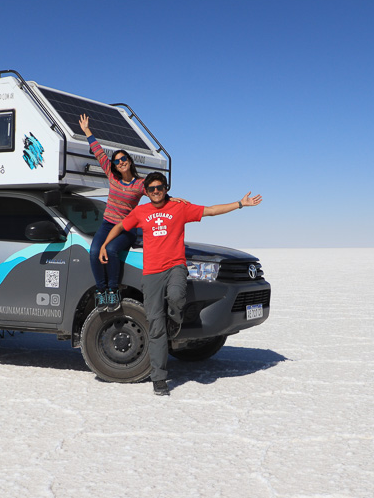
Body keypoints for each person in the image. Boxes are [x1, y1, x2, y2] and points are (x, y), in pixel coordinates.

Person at [99, 172, 262, 396]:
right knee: (155, 328)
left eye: (160, 187)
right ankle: (159, 378)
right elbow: (119, 227)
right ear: (146, 192)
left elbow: (212, 210)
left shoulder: (179, 208)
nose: (156, 191)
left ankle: (174, 321)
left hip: (175, 266)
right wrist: (104, 245)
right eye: (152, 189)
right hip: (152, 273)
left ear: (166, 188)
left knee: (176, 296)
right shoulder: (141, 211)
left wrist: (240, 204)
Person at [78, 114, 185, 311]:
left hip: (126, 228)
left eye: (123, 158)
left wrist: (171, 199)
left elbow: (156, 194)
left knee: (111, 250)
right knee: (94, 252)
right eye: (117, 160)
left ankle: (113, 290)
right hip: (108, 224)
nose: (120, 162)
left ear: (129, 160)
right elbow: (98, 152)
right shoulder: (112, 176)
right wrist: (87, 130)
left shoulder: (139, 184)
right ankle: (101, 292)